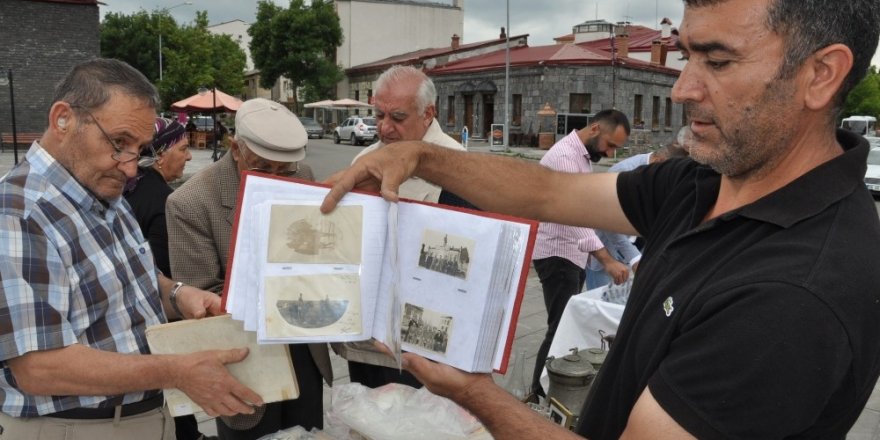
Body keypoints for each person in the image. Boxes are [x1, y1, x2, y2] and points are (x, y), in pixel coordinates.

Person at [319, 0, 880, 438]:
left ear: (821, 74)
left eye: (719, 61)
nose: (683, 88)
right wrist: (421, 156)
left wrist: (471, 392)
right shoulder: (706, 181)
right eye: (686, 56)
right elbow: (550, 192)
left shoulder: (794, 295)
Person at [0, 58, 262, 440]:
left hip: (143, 416)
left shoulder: (102, 188)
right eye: (118, 143)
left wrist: (178, 294)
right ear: (62, 119)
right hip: (74, 428)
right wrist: (175, 370)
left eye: (139, 149)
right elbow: (40, 366)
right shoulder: (19, 214)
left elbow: (126, 280)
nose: (130, 167)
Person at [166, 98, 332, 439]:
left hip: (303, 344)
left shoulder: (303, 174)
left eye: (284, 171)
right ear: (235, 149)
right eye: (261, 169)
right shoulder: (190, 202)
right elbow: (202, 301)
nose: (275, 180)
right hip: (244, 357)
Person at [336, 64, 469, 389]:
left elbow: (462, 268)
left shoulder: (459, 166)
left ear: (428, 113)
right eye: (379, 115)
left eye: (397, 118)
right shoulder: (365, 160)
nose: (384, 127)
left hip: (423, 336)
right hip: (368, 329)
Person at [529, 109, 631, 398]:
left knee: (563, 324)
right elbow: (571, 216)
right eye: (610, 145)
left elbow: (585, 211)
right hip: (557, 253)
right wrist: (607, 259)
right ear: (596, 128)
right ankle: (538, 391)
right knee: (559, 326)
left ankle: (550, 389)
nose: (611, 154)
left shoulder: (580, 156)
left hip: (570, 254)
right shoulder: (564, 157)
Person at [122, 118, 212, 440]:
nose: (189, 157)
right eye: (184, 148)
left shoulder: (127, 191)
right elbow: (157, 270)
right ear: (160, 155)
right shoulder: (163, 200)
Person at [584, 130, 691, 290]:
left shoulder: (661, 171)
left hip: (640, 252)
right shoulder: (621, 173)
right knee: (598, 306)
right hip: (609, 255)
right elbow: (607, 222)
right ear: (658, 160)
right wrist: (634, 258)